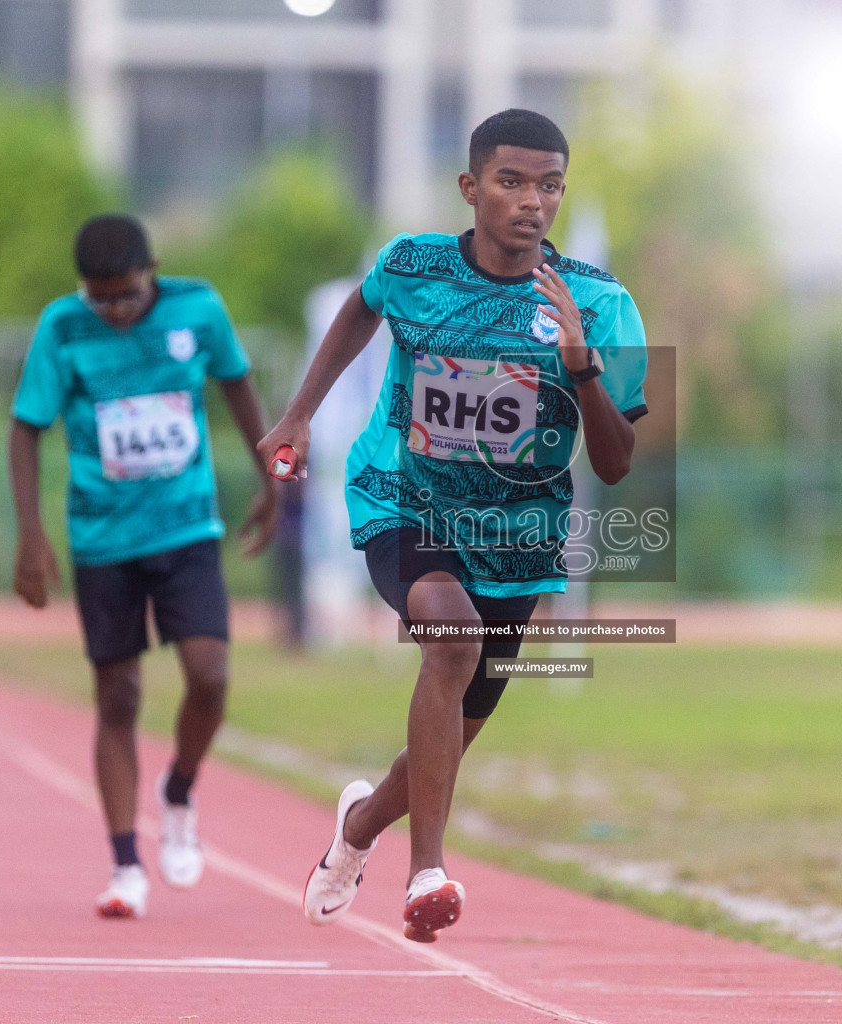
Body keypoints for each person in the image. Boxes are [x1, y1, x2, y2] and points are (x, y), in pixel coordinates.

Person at [257, 109, 648, 942]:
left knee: (453, 732)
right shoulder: (413, 264)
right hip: (402, 496)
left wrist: (581, 371)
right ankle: (426, 871)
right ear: (471, 188)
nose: (530, 201)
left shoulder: (602, 304)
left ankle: (356, 831)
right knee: (451, 638)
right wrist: (299, 416)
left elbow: (615, 463)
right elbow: (361, 311)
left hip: (518, 537)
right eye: (510, 181)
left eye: (548, 185)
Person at [9, 215, 279, 919]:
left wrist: (271, 478)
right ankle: (126, 863)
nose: (116, 311)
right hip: (102, 540)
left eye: (126, 295)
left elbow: (239, 387)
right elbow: (24, 428)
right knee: (119, 696)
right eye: (101, 298)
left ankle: (180, 789)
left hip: (186, 524)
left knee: (211, 676)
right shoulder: (63, 328)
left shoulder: (200, 307)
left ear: (151, 270)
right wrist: (30, 535)